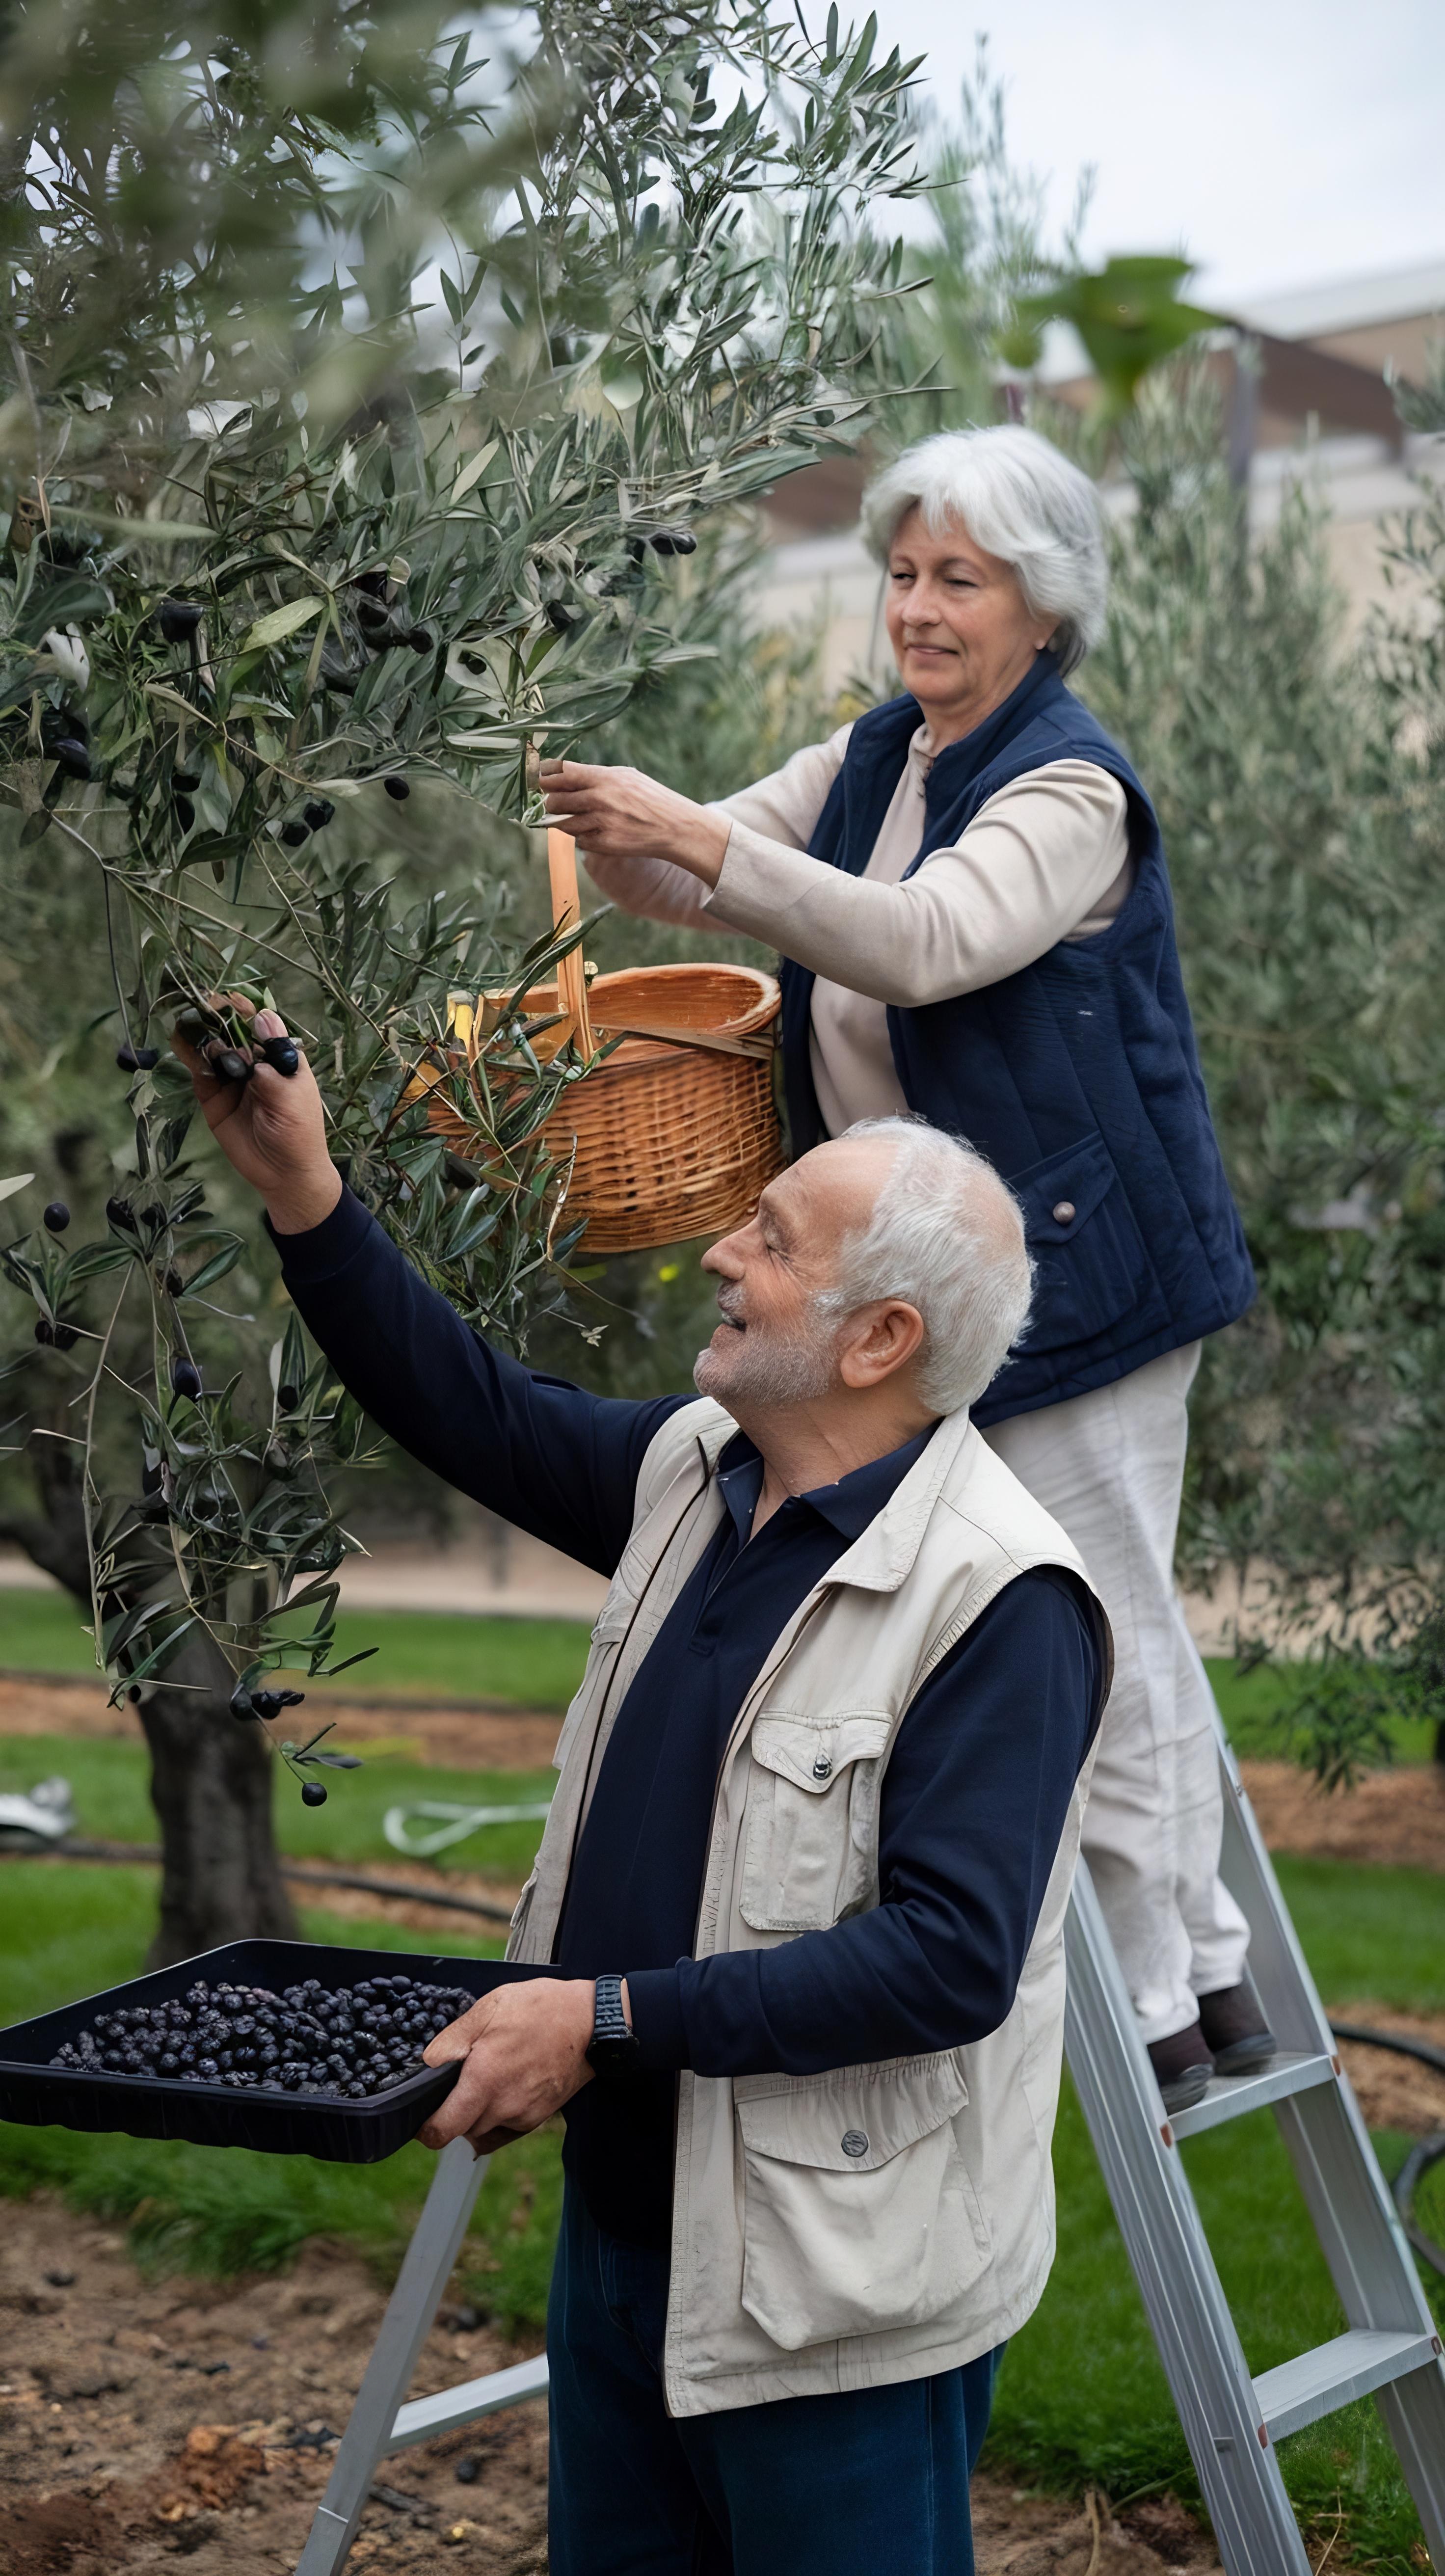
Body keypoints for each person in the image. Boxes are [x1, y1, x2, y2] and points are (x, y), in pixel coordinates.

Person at [178, 1009, 1107, 2576]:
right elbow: (470, 1406)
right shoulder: (697, 1472)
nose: (717, 1260)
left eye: (770, 1239)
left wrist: (598, 2019)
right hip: (631, 2245)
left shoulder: (997, 1596)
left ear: (880, 1340)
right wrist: (306, 1191)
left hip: (831, 2307)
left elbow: (951, 1958)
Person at [542, 421, 1269, 2117]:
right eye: (904, 573)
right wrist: (605, 822)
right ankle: (1205, 1965)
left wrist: (709, 853)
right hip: (936, 1280)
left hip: (1089, 1278)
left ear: (1044, 605)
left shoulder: (1070, 791)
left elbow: (930, 942)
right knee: (1065, 1618)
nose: (921, 609)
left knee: (1113, 1625)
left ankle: (1171, 1987)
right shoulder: (876, 754)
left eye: (963, 579)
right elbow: (689, 866)